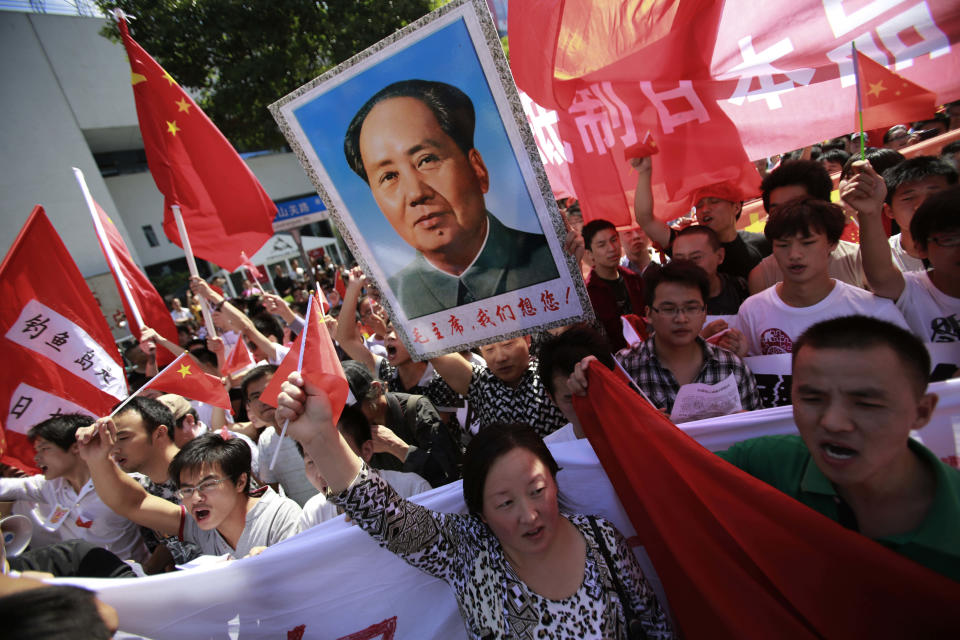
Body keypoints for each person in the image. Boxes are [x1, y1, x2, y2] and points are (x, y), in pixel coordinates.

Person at [276, 377, 674, 639]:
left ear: (554, 479)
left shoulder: (600, 538)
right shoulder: (468, 553)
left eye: (537, 490)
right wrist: (320, 439)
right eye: (505, 502)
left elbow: (657, 626)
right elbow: (386, 516)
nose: (529, 515)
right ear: (481, 512)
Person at [715, 316, 960, 582]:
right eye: (812, 399)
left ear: (921, 412)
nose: (833, 423)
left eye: (866, 403)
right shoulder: (763, 465)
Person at [343, 79, 558, 318]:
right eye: (389, 176)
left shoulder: (553, 263)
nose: (416, 193)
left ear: (478, 168)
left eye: (426, 160)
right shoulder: (397, 302)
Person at [75, 427, 302, 559]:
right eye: (186, 489)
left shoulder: (281, 516)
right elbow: (133, 504)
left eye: (207, 485)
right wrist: (97, 460)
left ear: (241, 481)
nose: (195, 498)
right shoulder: (197, 525)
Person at [736, 198, 909, 356]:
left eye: (807, 243)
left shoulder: (874, 310)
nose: (794, 254)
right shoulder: (752, 311)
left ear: (832, 244)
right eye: (783, 245)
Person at [619, 261, 761, 418]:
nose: (681, 318)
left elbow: (757, 433)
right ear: (649, 314)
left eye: (691, 308)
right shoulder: (626, 366)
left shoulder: (732, 367)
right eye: (668, 309)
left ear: (704, 312)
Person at [0, 414, 148, 563]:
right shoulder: (49, 486)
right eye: (37, 450)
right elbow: (5, 487)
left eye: (45, 449)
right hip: (81, 580)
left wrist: (151, 567)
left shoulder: (124, 482)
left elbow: (166, 529)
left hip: (127, 578)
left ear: (76, 447)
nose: (37, 458)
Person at [846, 173, 960, 344]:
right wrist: (869, 212)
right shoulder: (914, 292)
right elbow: (880, 276)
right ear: (921, 248)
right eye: (948, 240)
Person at [630, 156, 771, 279]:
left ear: (736, 207)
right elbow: (645, 219)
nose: (705, 210)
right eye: (698, 205)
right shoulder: (686, 244)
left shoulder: (763, 244)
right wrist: (644, 172)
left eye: (714, 202)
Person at [749, 160, 866, 292]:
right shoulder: (762, 276)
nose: (787, 217)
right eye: (777, 211)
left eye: (798, 207)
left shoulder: (860, 260)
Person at [341, 360, 461, 488]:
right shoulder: (350, 430)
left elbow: (448, 473)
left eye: (354, 411)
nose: (351, 420)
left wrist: (398, 448)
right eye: (343, 416)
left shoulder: (415, 409)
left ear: (376, 389)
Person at [430, 336, 569, 438]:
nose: (500, 357)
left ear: (527, 339)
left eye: (508, 344)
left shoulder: (552, 373)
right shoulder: (480, 382)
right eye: (489, 349)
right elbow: (427, 346)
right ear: (480, 350)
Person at [537, 325, 618, 444]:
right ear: (551, 398)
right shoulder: (550, 454)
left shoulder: (645, 429)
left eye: (593, 393)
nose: (586, 407)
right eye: (571, 399)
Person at [880, 156, 958, 273]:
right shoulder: (881, 258)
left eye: (933, 195)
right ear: (889, 211)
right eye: (909, 198)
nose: (922, 205)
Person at [583, 218, 647, 351]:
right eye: (602, 245)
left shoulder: (634, 280)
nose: (611, 249)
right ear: (590, 254)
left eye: (614, 240)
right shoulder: (589, 294)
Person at [671, 226, 749, 315]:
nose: (687, 265)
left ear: (720, 256)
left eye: (696, 257)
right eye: (679, 259)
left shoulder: (740, 289)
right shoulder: (665, 299)